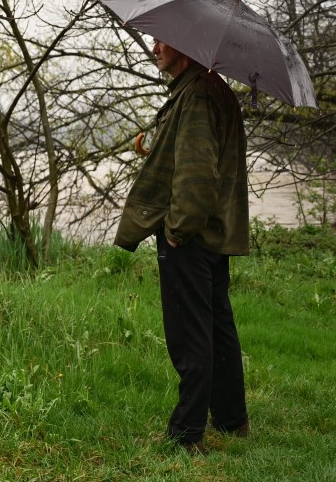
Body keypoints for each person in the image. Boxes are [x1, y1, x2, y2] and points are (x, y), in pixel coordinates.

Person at [114, 38, 250, 455]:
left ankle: (186, 434)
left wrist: (176, 229)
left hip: (191, 235)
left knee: (190, 335)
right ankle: (231, 419)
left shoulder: (195, 95)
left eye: (162, 43)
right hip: (213, 233)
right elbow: (196, 155)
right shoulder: (208, 90)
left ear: (187, 49)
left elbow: (196, 174)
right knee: (216, 327)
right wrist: (155, 148)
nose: (155, 48)